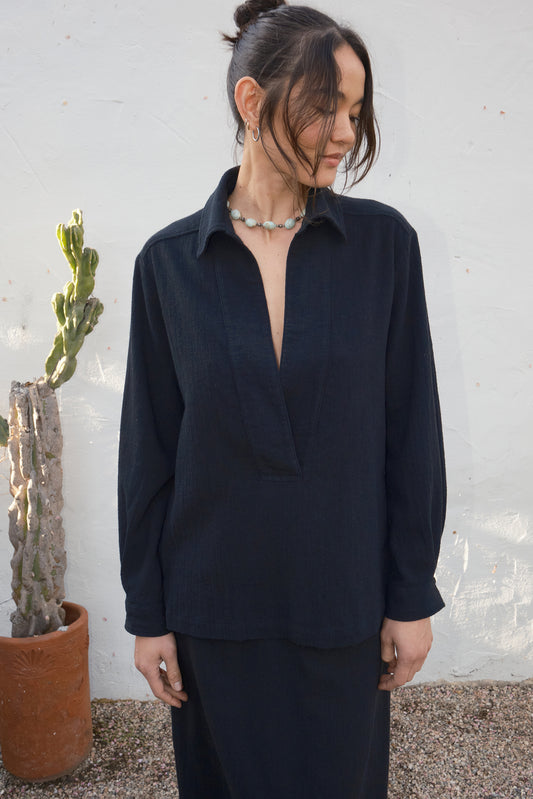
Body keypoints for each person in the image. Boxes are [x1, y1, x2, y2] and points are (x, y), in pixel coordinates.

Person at [118, 1, 447, 796]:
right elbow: (149, 451)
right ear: (252, 103)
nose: (343, 131)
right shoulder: (167, 265)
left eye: (355, 110)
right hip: (212, 612)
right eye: (324, 106)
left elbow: (413, 433)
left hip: (342, 602)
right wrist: (147, 611)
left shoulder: (383, 248)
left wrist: (409, 593)